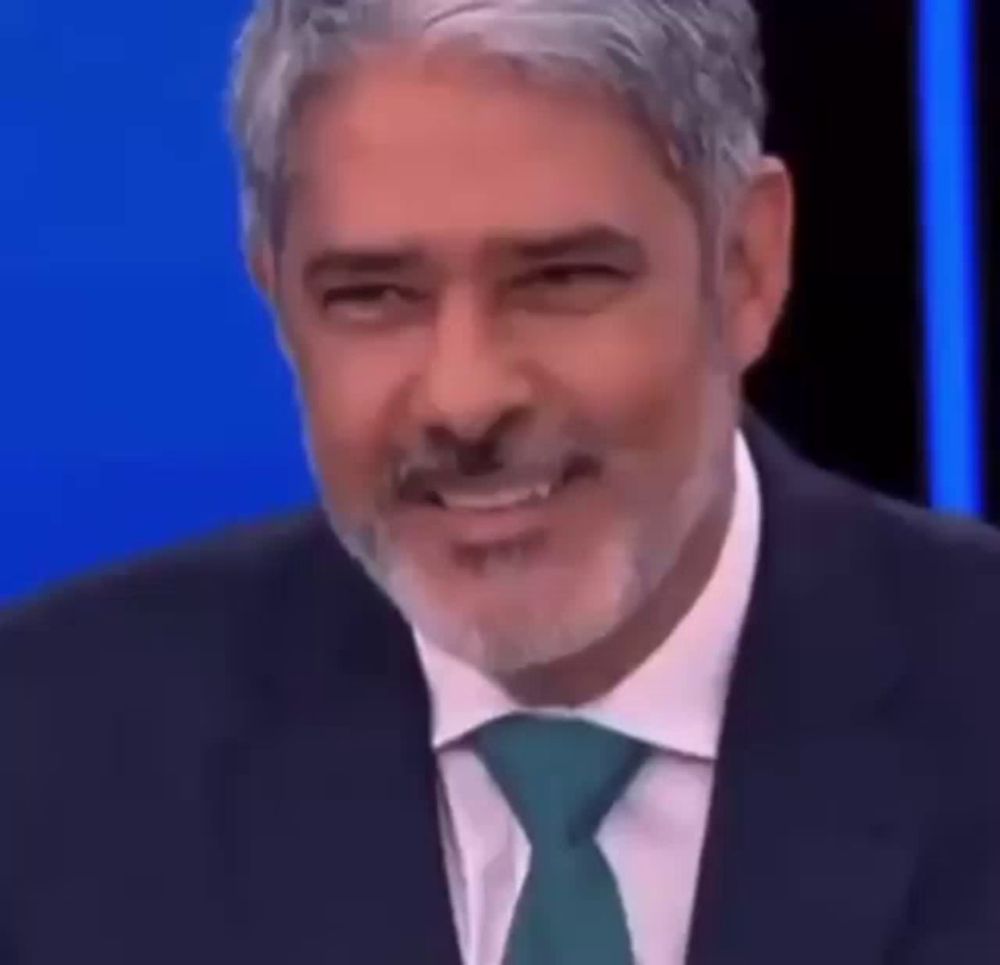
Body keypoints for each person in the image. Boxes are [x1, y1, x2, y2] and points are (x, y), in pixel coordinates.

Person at [2, 0, 998, 962]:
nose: (464, 398)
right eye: (372, 294)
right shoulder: (47, 752)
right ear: (275, 292)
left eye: (560, 279)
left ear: (745, 265)